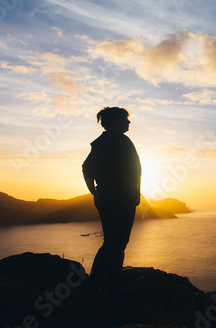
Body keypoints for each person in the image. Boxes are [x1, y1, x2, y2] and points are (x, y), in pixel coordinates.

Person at [82, 106, 141, 300]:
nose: (129, 122)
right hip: (121, 196)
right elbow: (135, 169)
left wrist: (95, 191)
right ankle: (112, 291)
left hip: (104, 195)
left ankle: (93, 286)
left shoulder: (98, 143)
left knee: (110, 243)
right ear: (115, 120)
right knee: (118, 244)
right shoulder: (122, 141)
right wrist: (134, 194)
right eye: (126, 118)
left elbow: (85, 168)